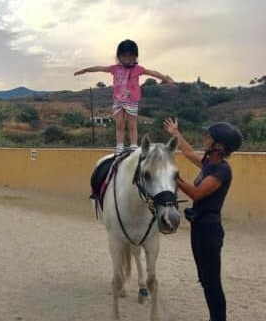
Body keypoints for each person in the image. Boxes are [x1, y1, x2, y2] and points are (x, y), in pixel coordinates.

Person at [163, 118, 243, 321]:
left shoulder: (222, 170)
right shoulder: (210, 163)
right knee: (205, 279)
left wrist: (174, 177)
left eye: (209, 137)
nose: (205, 138)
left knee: (212, 281)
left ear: (218, 146)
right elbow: (189, 153)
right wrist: (176, 133)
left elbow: (197, 194)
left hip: (209, 230)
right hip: (199, 227)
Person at [74, 39, 176, 154]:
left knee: (132, 125)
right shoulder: (115, 68)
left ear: (135, 57)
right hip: (118, 101)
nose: (127, 58)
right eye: (124, 55)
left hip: (132, 101)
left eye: (130, 55)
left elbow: (153, 72)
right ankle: (119, 147)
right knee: (119, 125)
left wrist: (166, 79)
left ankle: (133, 146)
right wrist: (86, 70)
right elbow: (99, 68)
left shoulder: (138, 69)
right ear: (119, 56)